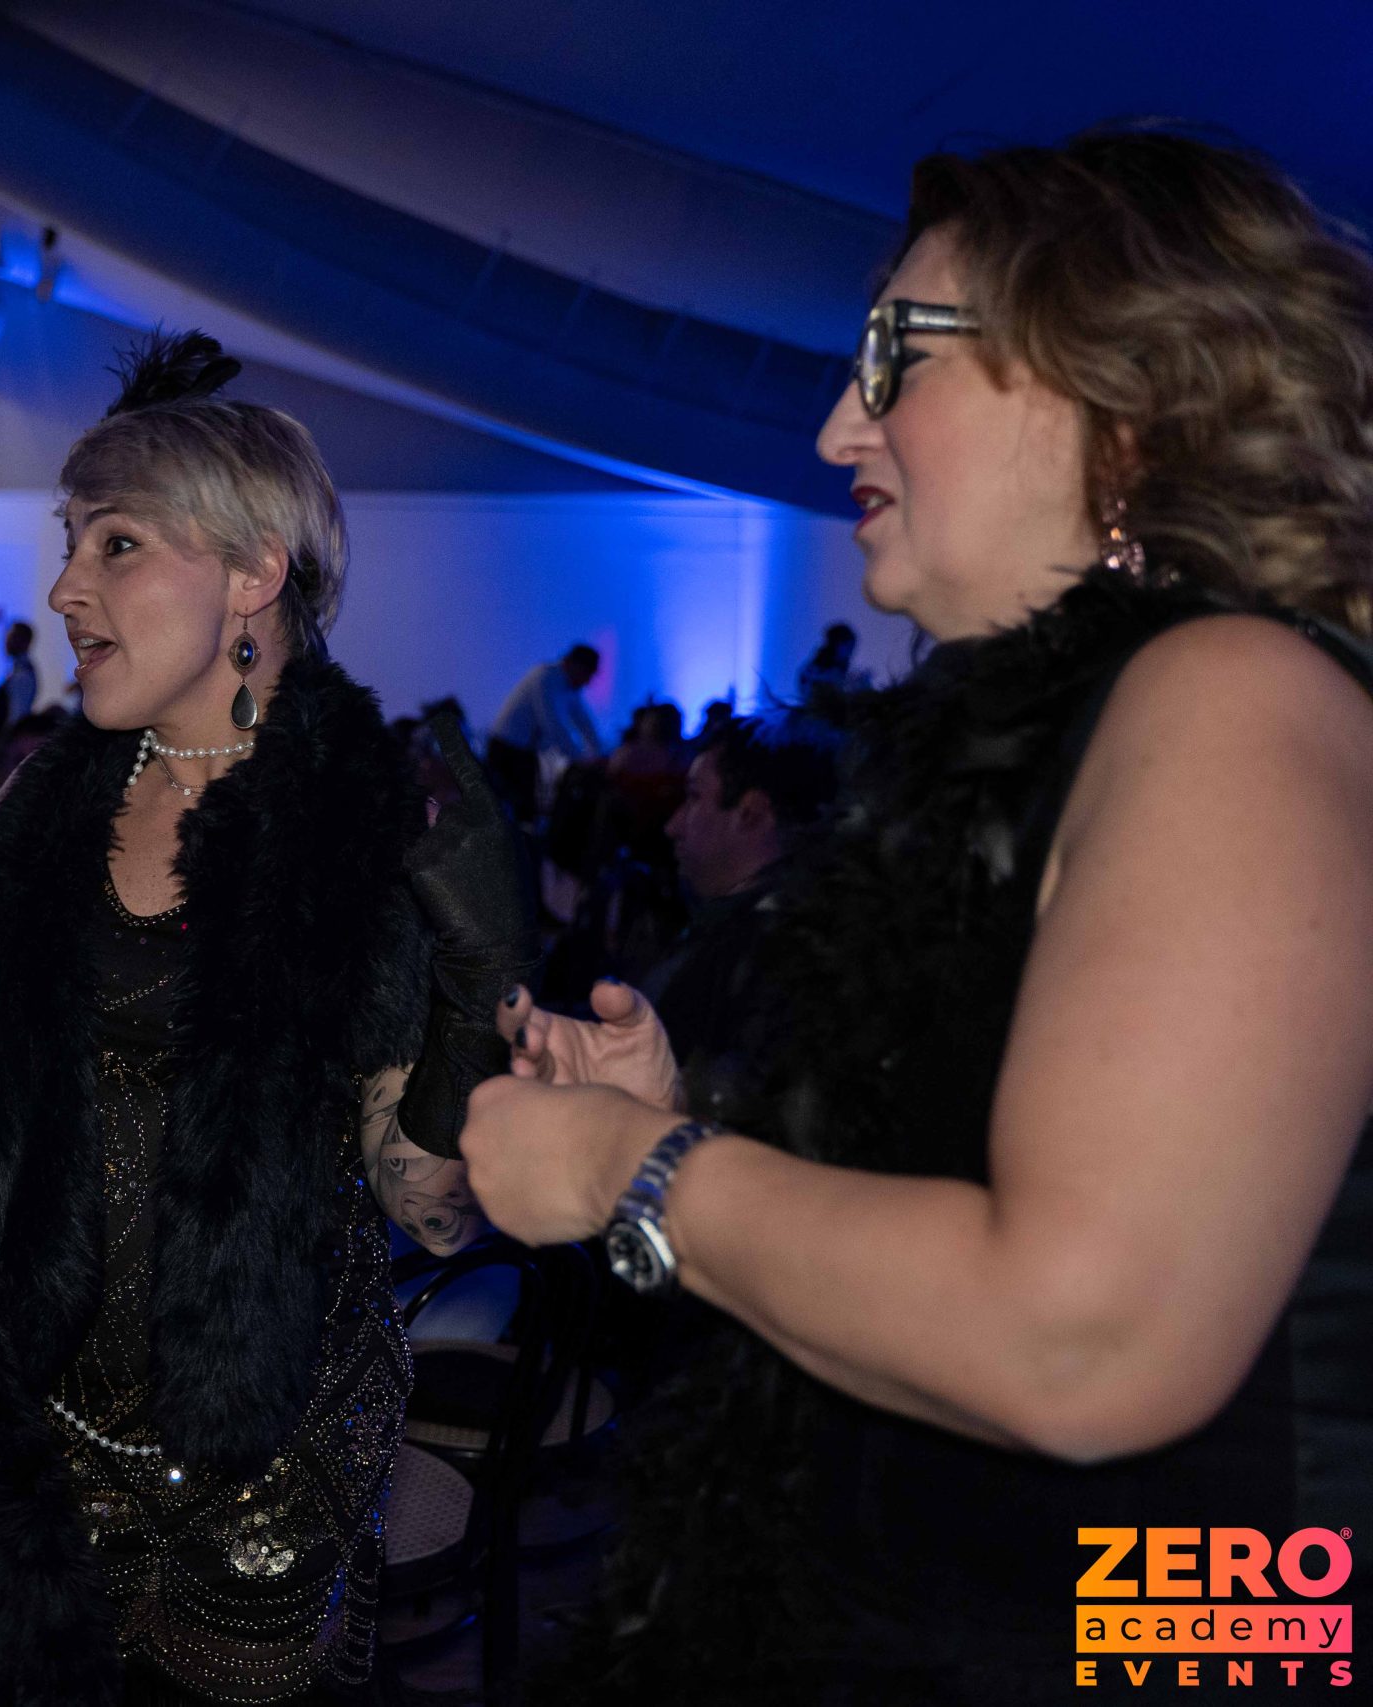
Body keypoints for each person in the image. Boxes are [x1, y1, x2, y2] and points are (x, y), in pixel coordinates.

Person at [464, 131, 1373, 1703]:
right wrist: (701, 1131)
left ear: (1126, 393)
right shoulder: (1085, 734)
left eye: (899, 352)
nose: (837, 424)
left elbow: (1085, 1337)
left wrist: (640, 1171)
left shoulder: (1232, 694)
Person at [0, 331, 527, 1705]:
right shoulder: (53, 791)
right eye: (69, 542)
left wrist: (477, 987)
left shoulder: (362, 821)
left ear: (253, 574)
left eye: (115, 544)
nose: (65, 584)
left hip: (255, 1456)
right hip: (10, 1413)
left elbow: (428, 1206)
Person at [644, 714, 839, 1070]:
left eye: (694, 797)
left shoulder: (758, 955)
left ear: (751, 812)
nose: (673, 826)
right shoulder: (806, 925)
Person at [487, 641, 604, 813]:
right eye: (588, 675)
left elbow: (584, 721)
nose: (587, 682)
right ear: (576, 666)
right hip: (507, 751)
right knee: (506, 808)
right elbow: (552, 724)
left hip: (523, 751)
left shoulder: (566, 685)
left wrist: (598, 752)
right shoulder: (545, 678)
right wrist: (581, 759)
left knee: (521, 809)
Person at [0, 618, 39, 740]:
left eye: (12, 637)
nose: (6, 641)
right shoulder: (17, 669)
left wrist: (6, 742)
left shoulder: (23, 673)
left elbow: (16, 715)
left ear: (24, 642)